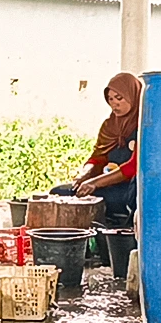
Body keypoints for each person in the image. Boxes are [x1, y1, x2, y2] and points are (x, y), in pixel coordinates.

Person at [51, 73, 141, 226]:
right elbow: (99, 157)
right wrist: (85, 175)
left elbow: (133, 167)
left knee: (110, 198)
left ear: (133, 95)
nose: (114, 104)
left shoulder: (144, 125)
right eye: (110, 99)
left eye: (119, 98)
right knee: (59, 193)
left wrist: (95, 183)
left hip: (130, 187)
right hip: (104, 180)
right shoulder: (109, 125)